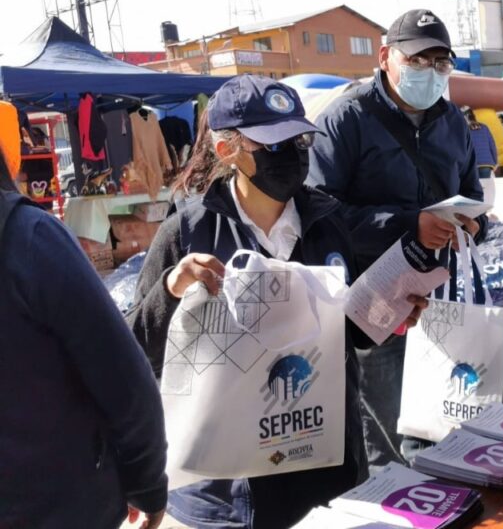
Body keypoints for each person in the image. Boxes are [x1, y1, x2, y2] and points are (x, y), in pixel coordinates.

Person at [128, 75, 428, 528]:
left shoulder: (327, 222)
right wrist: (170, 287)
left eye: (300, 139)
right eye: (273, 145)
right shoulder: (187, 233)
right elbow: (135, 348)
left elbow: (341, 335)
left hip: (322, 469)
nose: (292, 155)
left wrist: (390, 311)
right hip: (228, 491)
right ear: (228, 150)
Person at [307, 9, 488, 471]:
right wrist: (410, 224)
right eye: (418, 60)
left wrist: (472, 223)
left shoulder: (451, 121)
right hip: (376, 302)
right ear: (386, 57)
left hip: (443, 298)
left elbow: (473, 194)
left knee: (446, 419)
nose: (430, 73)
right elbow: (320, 215)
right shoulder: (346, 119)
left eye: (440, 63)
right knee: (386, 432)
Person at [0, 148, 167, 528]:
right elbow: (123, 377)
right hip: (60, 504)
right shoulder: (29, 238)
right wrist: (146, 481)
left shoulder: (29, 239)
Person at [463, 106, 498, 178]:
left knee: (475, 187)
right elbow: (492, 145)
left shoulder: (464, 130)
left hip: (472, 164)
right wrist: (495, 161)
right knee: (485, 187)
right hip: (486, 164)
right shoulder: (484, 127)